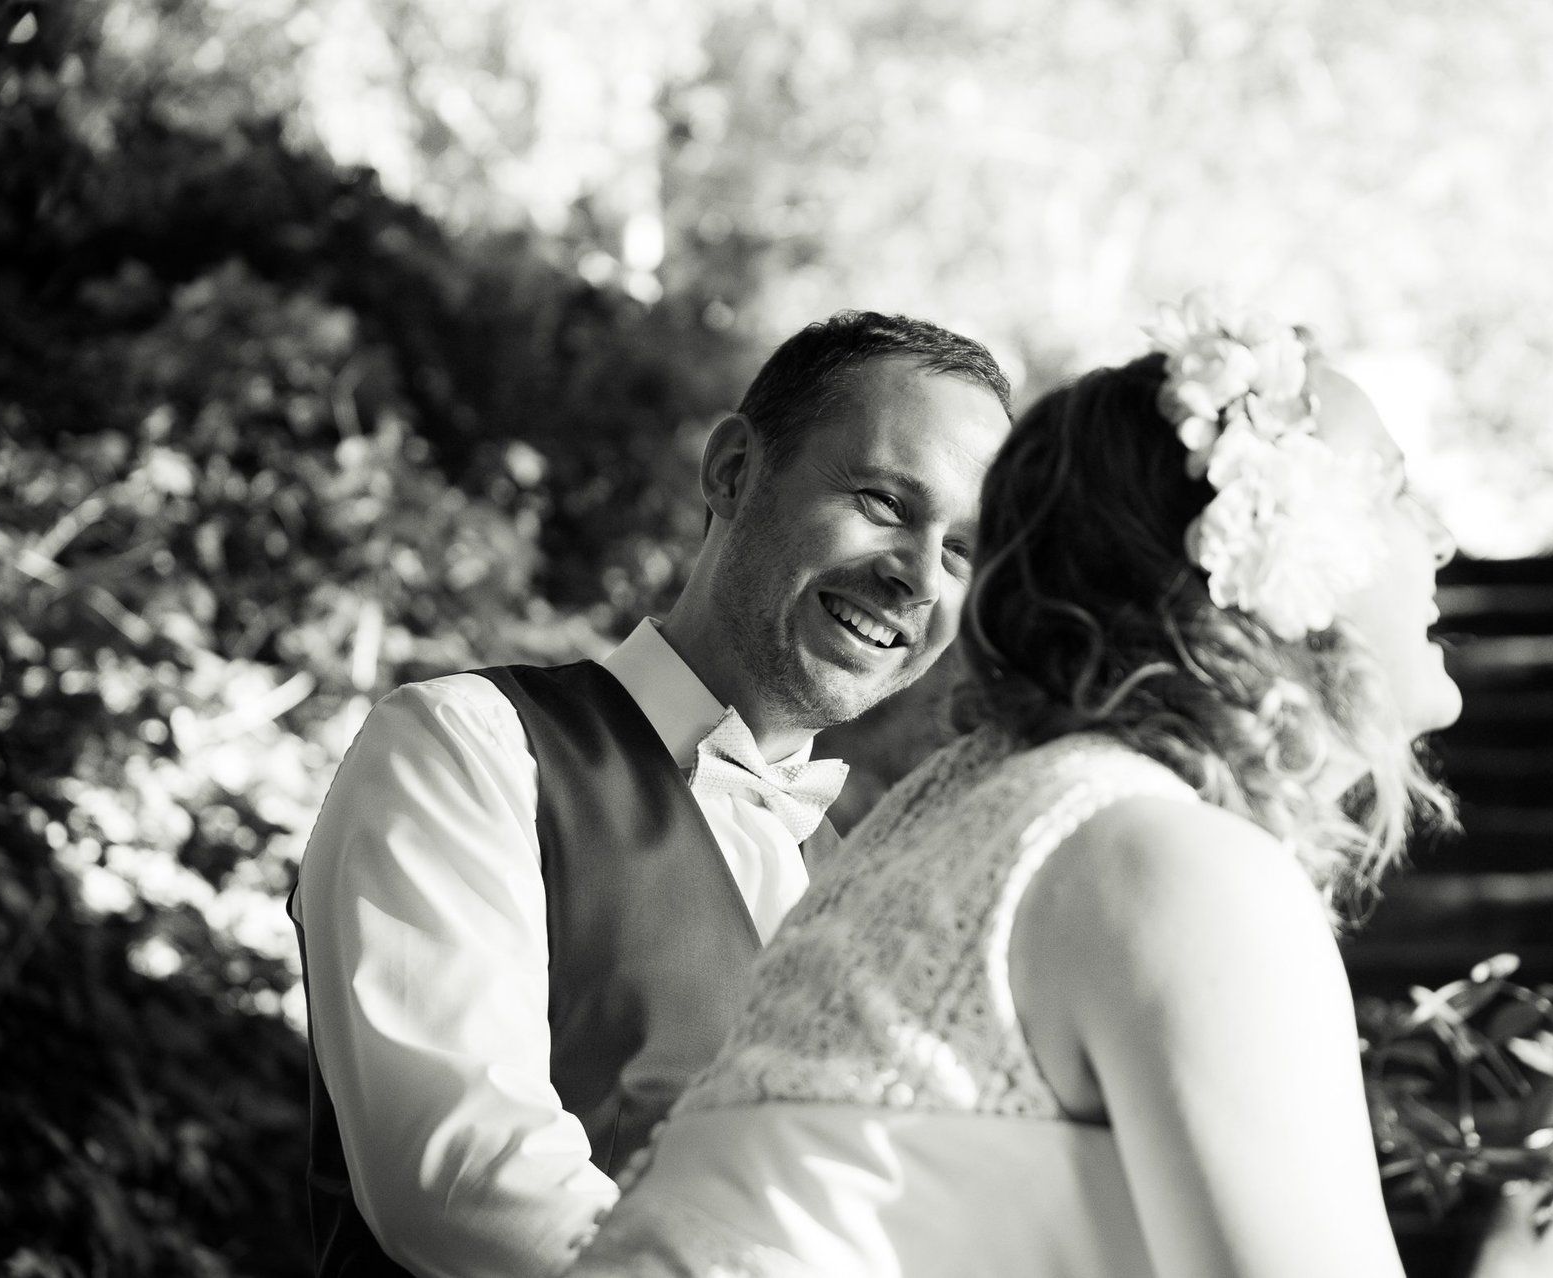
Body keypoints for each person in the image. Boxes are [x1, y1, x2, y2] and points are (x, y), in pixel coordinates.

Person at [575, 293, 1460, 1277]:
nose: (1440, 537)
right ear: (1261, 554)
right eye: (1391, 490)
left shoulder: (959, 812)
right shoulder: (1167, 863)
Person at [288, 310, 1013, 1277]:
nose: (917, 577)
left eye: (962, 549)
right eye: (883, 502)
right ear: (732, 472)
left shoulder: (867, 899)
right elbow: (456, 1178)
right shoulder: (472, 747)